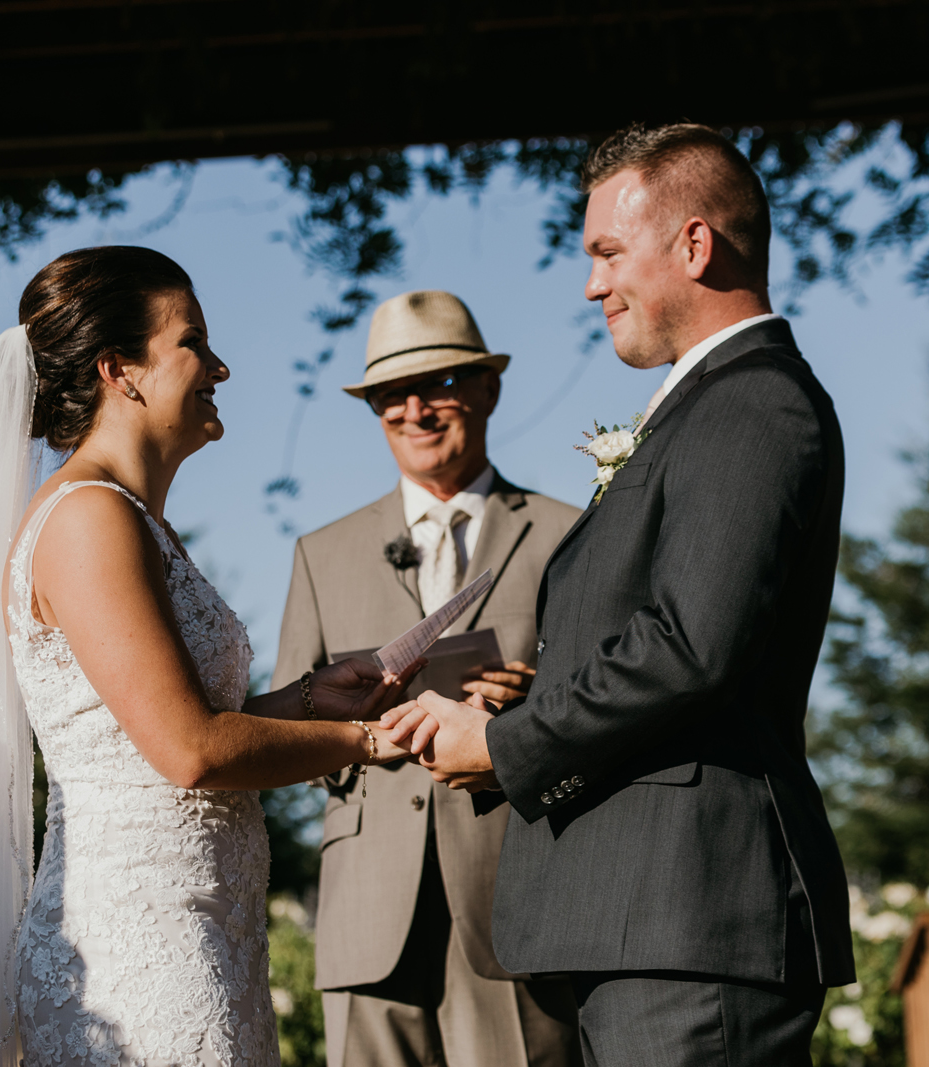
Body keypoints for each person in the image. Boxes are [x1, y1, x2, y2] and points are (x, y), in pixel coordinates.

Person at [385, 123, 857, 1065]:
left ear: (695, 244)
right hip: (646, 924)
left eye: (607, 252)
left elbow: (689, 645)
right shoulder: (704, 405)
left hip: (694, 922)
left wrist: (507, 745)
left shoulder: (754, 401)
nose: (591, 285)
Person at [0, 246, 424, 1067]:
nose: (220, 367)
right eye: (193, 342)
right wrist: (370, 741)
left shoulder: (136, 519)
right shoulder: (89, 519)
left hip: (205, 929)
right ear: (119, 370)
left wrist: (312, 697)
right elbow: (190, 750)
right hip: (140, 951)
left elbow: (162, 726)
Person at [274, 290, 583, 1067]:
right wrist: (360, 732)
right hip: (368, 913)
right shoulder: (321, 552)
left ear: (488, 388)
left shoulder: (570, 532)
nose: (413, 410)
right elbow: (288, 734)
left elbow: (608, 706)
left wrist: (526, 715)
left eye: (438, 383)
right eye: (390, 393)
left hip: (518, 899)